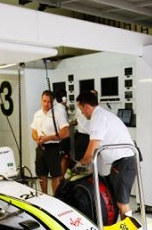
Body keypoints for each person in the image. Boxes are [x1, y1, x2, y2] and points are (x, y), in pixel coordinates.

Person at [75, 90, 137, 219]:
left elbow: (93, 146)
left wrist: (82, 164)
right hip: (122, 161)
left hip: (125, 162)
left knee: (122, 202)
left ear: (86, 106)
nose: (81, 112)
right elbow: (100, 146)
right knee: (115, 198)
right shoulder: (103, 115)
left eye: (81, 109)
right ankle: (122, 228)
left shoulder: (98, 117)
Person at [30, 90, 70, 194]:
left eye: (49, 102)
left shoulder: (58, 114)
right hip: (40, 148)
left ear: (53, 102)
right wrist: (37, 138)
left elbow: (65, 133)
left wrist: (49, 138)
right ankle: (44, 196)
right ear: (41, 100)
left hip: (53, 148)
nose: (46, 104)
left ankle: (56, 198)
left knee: (55, 175)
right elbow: (33, 131)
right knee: (41, 174)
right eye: (44, 101)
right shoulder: (37, 114)